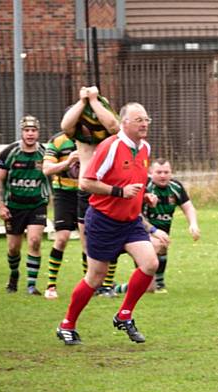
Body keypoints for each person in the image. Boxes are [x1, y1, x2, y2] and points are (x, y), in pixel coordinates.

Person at [56, 102, 159, 345]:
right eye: (139, 120)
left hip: (130, 222)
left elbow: (134, 182)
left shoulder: (144, 148)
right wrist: (120, 192)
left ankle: (124, 315)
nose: (144, 124)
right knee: (96, 278)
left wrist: (144, 196)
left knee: (150, 263)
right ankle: (67, 324)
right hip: (103, 221)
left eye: (146, 119)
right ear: (124, 123)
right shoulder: (111, 146)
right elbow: (87, 183)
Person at [61, 85, 121, 297]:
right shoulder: (76, 132)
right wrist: (82, 101)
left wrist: (95, 101)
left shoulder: (107, 131)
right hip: (86, 189)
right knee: (87, 237)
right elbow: (64, 124)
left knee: (111, 234)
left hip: (106, 187)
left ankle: (106, 284)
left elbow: (114, 126)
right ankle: (92, 283)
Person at [115, 158, 200, 294]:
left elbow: (188, 207)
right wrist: (153, 230)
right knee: (157, 246)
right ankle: (116, 288)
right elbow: (135, 213)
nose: (163, 175)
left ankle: (159, 283)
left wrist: (193, 224)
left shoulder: (175, 187)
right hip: (138, 233)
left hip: (160, 235)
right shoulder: (144, 187)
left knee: (161, 245)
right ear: (150, 172)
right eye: (159, 172)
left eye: (166, 172)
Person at [0, 116, 50, 295]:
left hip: (37, 205)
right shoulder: (9, 152)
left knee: (34, 241)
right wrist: (1, 205)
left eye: (33, 130)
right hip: (14, 206)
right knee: (13, 247)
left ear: (38, 133)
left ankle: (31, 285)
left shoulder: (45, 153)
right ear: (22, 132)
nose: (30, 134)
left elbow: (52, 175)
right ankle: (13, 275)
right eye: (27, 130)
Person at [42, 131, 79, 299]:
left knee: (89, 238)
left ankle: (93, 284)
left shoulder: (92, 137)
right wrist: (69, 162)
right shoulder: (57, 140)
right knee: (62, 238)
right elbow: (47, 169)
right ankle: (51, 285)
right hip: (64, 194)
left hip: (87, 193)